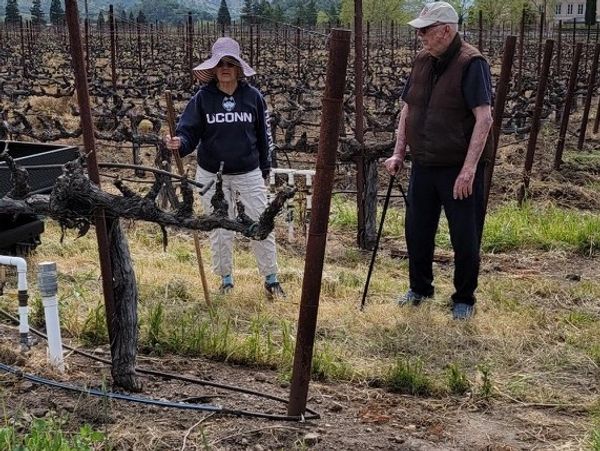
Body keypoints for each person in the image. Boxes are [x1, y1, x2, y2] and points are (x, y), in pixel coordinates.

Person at [383, 2, 493, 320]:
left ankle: (464, 298)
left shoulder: (472, 63)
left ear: (446, 30)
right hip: (424, 163)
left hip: (459, 167)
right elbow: (408, 109)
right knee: (416, 230)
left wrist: (469, 169)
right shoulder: (422, 60)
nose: (420, 36)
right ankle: (420, 289)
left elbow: (484, 119)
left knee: (465, 234)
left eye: (425, 30)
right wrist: (399, 151)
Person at [164, 37, 285, 299]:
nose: (225, 68)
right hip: (211, 174)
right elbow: (188, 132)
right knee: (218, 227)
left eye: (230, 63)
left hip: (248, 172)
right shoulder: (202, 99)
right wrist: (179, 143)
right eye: (221, 63)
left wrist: (265, 168)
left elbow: (264, 136)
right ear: (214, 69)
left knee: (261, 223)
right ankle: (226, 280)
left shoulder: (253, 97)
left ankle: (271, 279)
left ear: (239, 68)